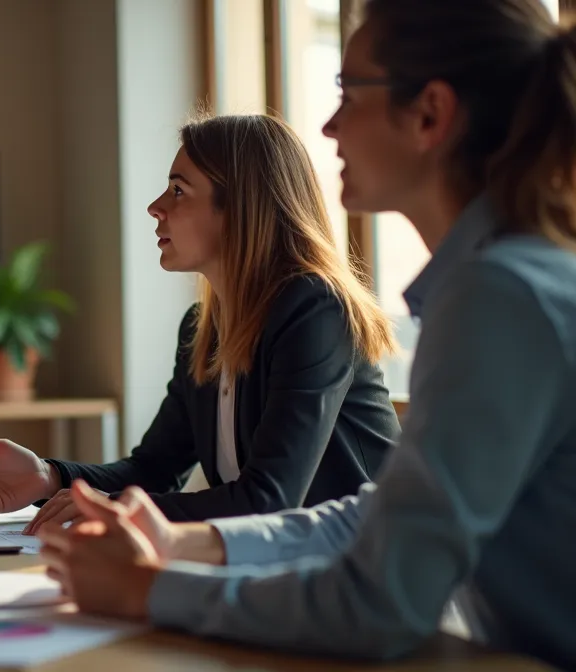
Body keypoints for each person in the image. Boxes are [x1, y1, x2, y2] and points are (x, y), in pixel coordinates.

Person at [38, 0, 576, 669]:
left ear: (431, 114)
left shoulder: (502, 296)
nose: (328, 125)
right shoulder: (495, 284)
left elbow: (378, 603)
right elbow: (376, 514)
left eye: (349, 93)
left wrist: (146, 588)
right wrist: (184, 546)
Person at [0, 114, 399, 530]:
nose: (156, 207)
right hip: (267, 570)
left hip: (354, 582)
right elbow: (153, 470)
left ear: (240, 209)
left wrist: (108, 508)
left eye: (178, 190)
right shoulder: (202, 328)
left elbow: (271, 500)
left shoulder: (315, 310)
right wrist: (47, 478)